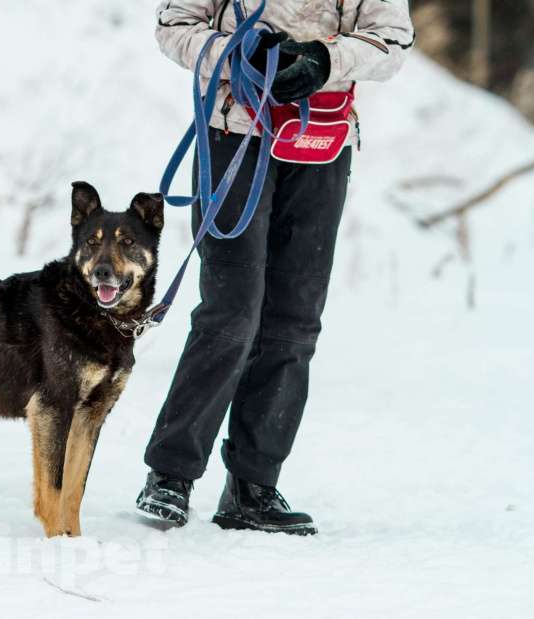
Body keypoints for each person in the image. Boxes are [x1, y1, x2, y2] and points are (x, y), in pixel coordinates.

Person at [136, 0, 414, 535]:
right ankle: (170, 473)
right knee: (231, 313)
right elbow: (175, 28)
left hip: (323, 142)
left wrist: (323, 60)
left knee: (295, 319)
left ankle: (253, 483)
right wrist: (236, 50)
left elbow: (392, 41)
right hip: (233, 132)